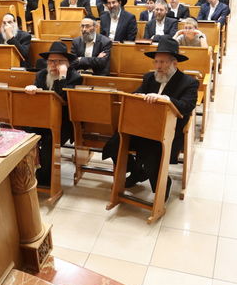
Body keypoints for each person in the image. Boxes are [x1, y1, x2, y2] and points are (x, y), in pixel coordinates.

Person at [102, 38, 199, 198]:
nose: (158, 66)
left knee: (150, 155)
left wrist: (165, 99)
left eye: (163, 62)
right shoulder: (150, 77)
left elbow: (187, 106)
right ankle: (136, 171)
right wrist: (138, 97)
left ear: (174, 63)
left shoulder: (188, 82)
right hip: (142, 127)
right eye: (156, 62)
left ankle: (161, 183)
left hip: (168, 132)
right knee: (114, 144)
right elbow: (136, 94)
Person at [23, 41, 83, 186]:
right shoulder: (41, 74)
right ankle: (25, 173)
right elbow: (35, 96)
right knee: (24, 134)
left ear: (67, 63)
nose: (54, 64)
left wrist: (62, 77)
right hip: (42, 120)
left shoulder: (74, 77)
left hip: (64, 123)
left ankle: (45, 180)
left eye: (59, 61)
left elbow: (61, 99)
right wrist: (32, 88)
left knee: (50, 141)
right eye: (51, 61)